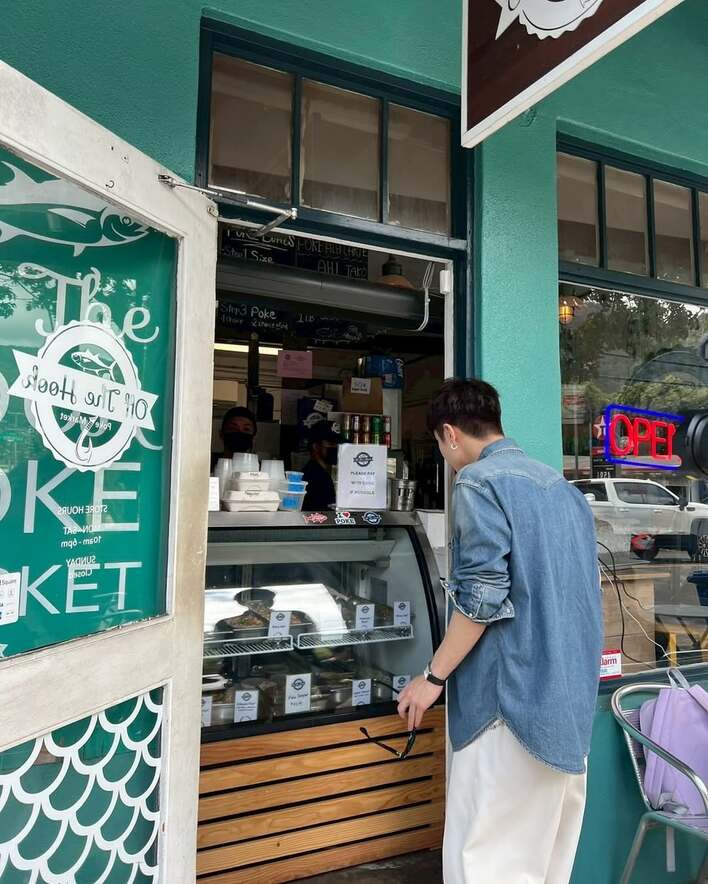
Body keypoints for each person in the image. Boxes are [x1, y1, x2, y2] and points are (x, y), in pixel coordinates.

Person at [397, 378, 602, 884]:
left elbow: (482, 598)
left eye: (441, 445)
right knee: (546, 861)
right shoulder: (564, 490)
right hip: (567, 705)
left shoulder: (478, 483)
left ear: (449, 434)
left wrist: (432, 677)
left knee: (485, 860)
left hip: (506, 707)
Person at [302, 421, 341, 511]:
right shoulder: (315, 477)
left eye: (338, 444)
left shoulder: (324, 474)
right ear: (315, 446)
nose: (336, 447)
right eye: (331, 443)